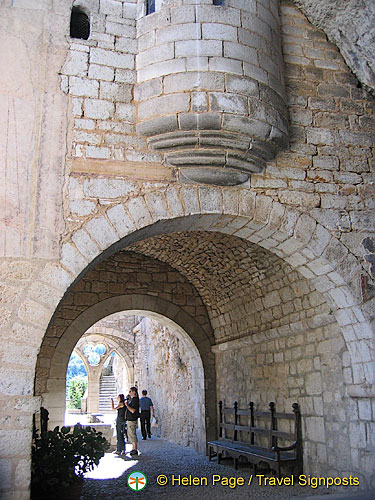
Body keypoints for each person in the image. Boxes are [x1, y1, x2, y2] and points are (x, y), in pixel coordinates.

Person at [125, 386, 140, 455]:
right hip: (130, 419)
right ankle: (133, 448)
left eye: (130, 391)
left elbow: (133, 410)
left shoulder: (135, 400)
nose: (129, 393)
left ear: (134, 392)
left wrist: (127, 405)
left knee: (132, 434)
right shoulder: (133, 400)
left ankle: (135, 448)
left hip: (132, 419)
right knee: (130, 434)